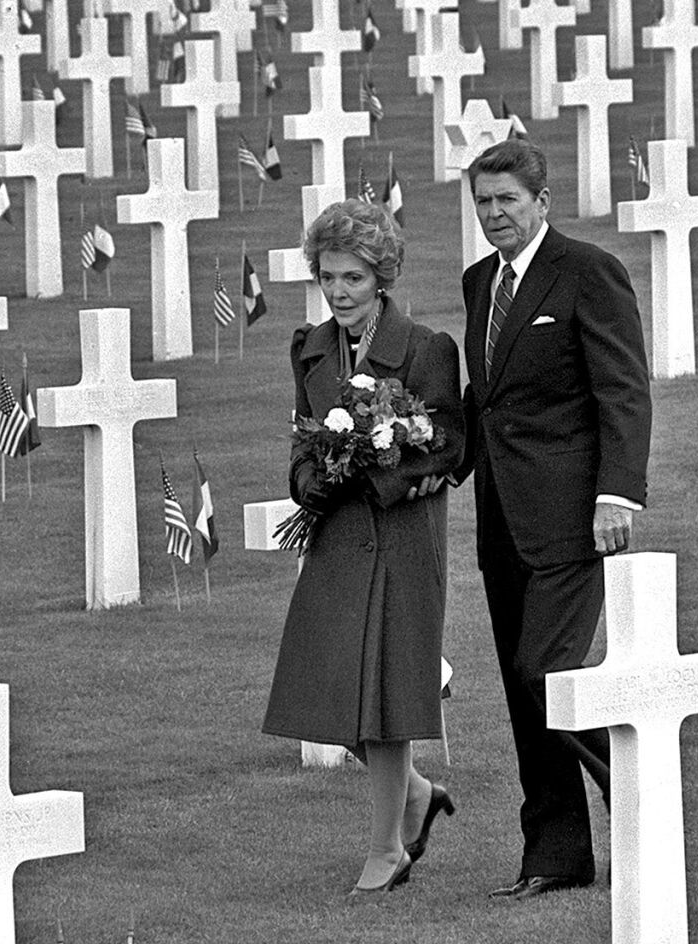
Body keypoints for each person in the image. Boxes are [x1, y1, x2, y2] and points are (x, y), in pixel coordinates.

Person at [430, 138, 653, 898]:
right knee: (526, 697)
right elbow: (486, 402)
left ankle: (645, 782)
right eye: (484, 203)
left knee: (545, 673)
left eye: (508, 202)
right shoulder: (477, 283)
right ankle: (554, 855)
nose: (495, 215)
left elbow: (623, 389)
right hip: (500, 518)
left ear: (541, 203)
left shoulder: (588, 272)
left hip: (571, 515)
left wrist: (616, 493)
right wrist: (423, 459)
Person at [262, 199, 466, 896]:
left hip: (403, 536)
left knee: (384, 689)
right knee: (321, 680)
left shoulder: (426, 347)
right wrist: (308, 479)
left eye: (353, 277)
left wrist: (385, 468)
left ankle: (386, 849)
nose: (340, 292)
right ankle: (412, 793)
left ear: (382, 276)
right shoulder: (310, 347)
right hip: (337, 535)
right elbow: (300, 437)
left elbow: (448, 442)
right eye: (328, 278)